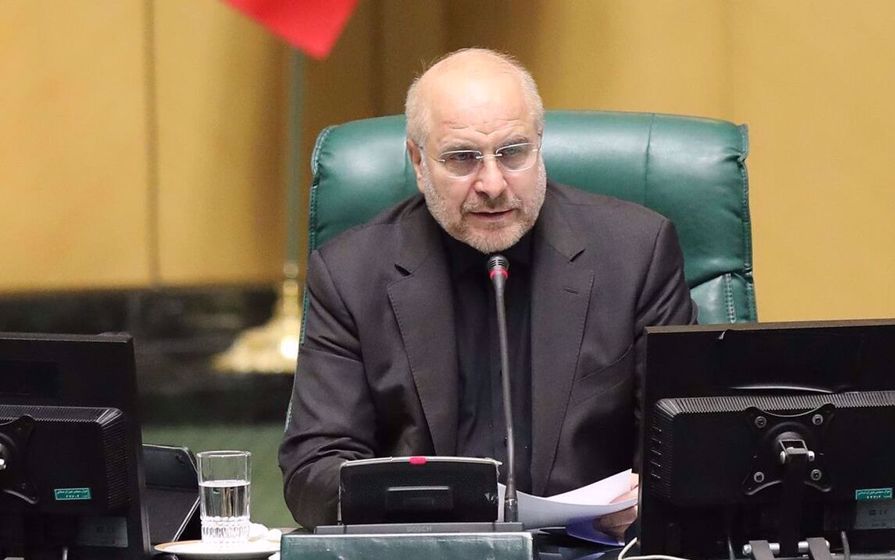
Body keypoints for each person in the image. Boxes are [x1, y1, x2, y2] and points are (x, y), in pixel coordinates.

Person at [278, 48, 698, 537]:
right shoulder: (351, 274)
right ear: (417, 160)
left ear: (539, 144)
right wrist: (425, 507)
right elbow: (314, 471)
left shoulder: (636, 253)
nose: (493, 184)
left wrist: (648, 503)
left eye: (513, 152)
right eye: (462, 158)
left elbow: (690, 446)